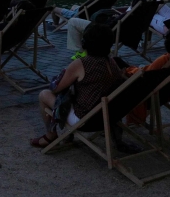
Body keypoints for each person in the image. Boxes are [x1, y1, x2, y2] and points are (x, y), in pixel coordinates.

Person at [32, 23, 132, 151]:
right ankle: (62, 134)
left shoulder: (82, 64)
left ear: (85, 43)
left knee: (44, 94)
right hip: (107, 116)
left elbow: (55, 89)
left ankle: (50, 135)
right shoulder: (112, 62)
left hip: (85, 119)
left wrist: (65, 72)